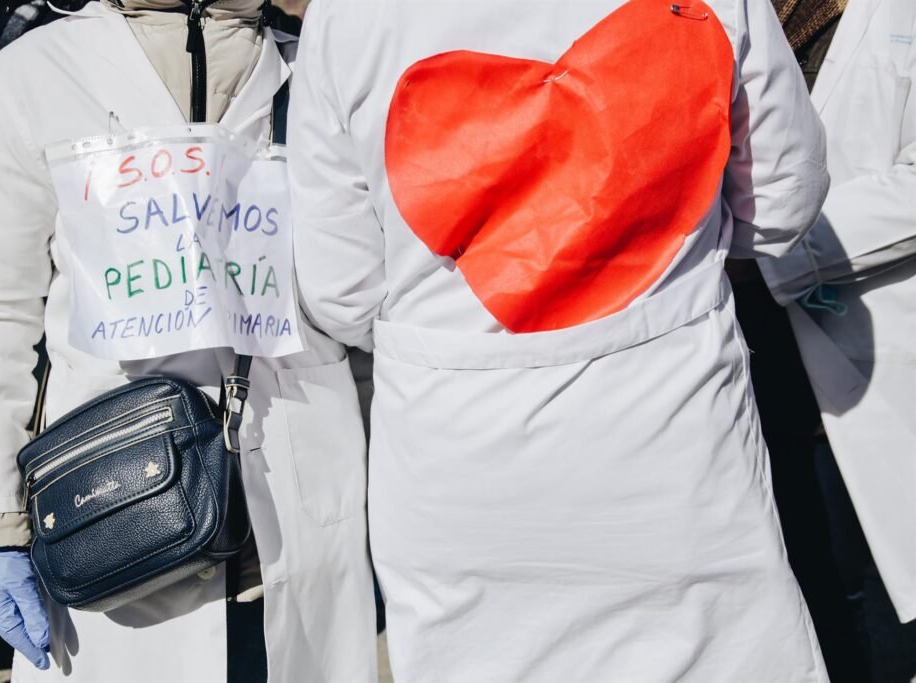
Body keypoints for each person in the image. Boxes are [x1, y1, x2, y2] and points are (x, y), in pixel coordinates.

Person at [288, 0, 831, 680]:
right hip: (672, 446)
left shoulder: (347, 16)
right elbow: (784, 203)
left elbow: (341, 291)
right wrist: (664, 244)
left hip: (459, 472)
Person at [0, 1, 376, 681]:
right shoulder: (34, 74)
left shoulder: (321, 63)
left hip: (304, 501)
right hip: (117, 503)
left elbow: (369, 303)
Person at [756, 0, 916, 661]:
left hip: (876, 385)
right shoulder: (729, 19)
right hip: (755, 393)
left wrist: (775, 252)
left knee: (883, 624)